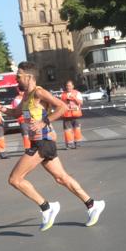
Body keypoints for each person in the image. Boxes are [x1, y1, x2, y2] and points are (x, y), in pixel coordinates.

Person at [6, 61, 104, 232]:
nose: (16, 79)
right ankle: (92, 204)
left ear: (28, 76)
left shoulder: (39, 92)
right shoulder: (26, 96)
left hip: (43, 142)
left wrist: (44, 122)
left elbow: (63, 107)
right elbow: (15, 113)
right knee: (61, 178)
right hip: (40, 142)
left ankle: (47, 207)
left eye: (18, 76)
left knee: (15, 179)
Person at [60, 80, 84, 149]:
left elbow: (81, 102)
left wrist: (74, 98)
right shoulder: (63, 94)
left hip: (75, 115)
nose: (68, 87)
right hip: (66, 115)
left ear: (73, 86)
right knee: (67, 131)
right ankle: (69, 144)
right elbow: (60, 104)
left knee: (77, 129)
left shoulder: (77, 93)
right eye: (67, 86)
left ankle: (77, 143)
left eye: (69, 85)